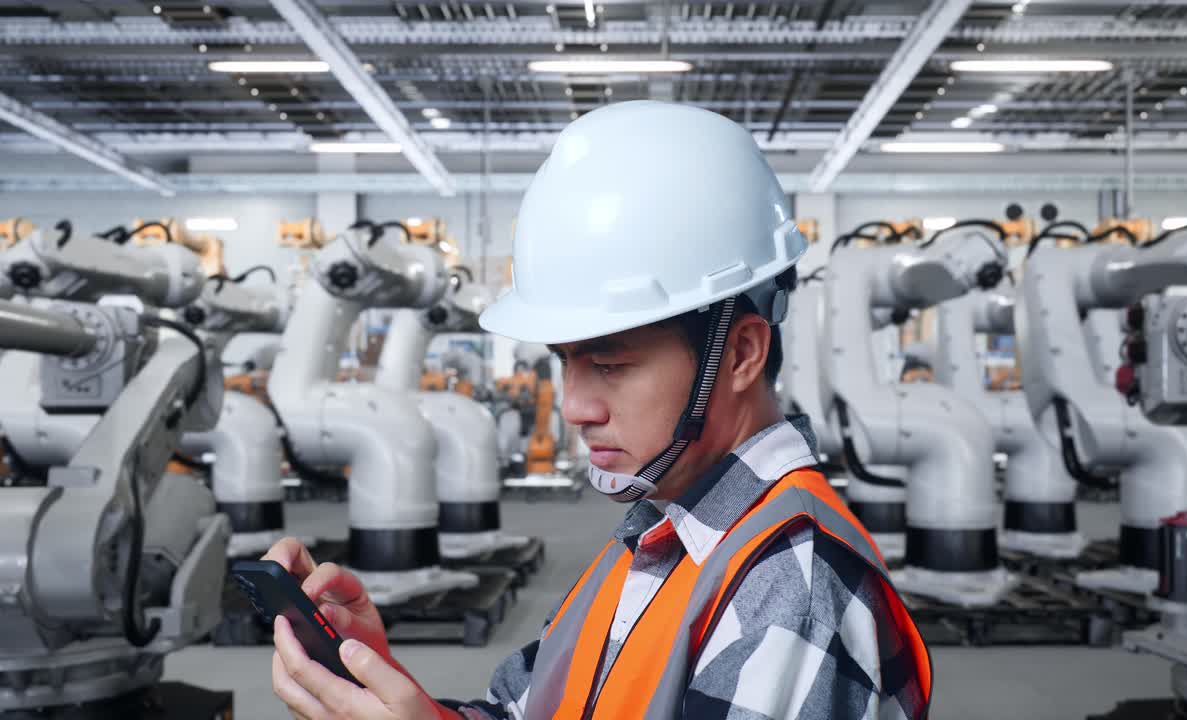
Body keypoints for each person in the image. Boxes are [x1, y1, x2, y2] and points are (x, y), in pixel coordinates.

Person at [263, 101, 932, 720]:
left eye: (610, 365)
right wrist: (387, 690)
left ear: (740, 354)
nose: (575, 407)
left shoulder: (790, 588)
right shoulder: (661, 534)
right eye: (565, 361)